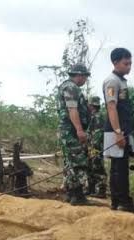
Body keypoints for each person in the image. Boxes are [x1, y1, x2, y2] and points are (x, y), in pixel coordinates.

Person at [102, 47, 134, 215]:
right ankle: (121, 201)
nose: (129, 67)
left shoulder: (122, 81)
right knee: (118, 167)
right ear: (115, 62)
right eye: (126, 63)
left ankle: (119, 201)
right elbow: (111, 107)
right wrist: (118, 132)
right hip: (115, 130)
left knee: (121, 166)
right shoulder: (112, 81)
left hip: (124, 129)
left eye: (130, 63)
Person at [57, 63, 91, 205]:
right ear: (79, 75)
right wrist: (79, 130)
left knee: (70, 163)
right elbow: (72, 110)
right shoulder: (71, 87)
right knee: (78, 162)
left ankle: (72, 194)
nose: (85, 80)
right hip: (71, 132)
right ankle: (77, 195)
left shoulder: (65, 86)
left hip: (67, 132)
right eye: (85, 77)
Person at [86, 96, 107, 198]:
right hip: (91, 147)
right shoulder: (93, 116)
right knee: (90, 167)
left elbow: (98, 134)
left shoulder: (98, 116)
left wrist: (94, 148)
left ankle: (101, 191)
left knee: (98, 168)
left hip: (96, 147)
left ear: (91, 105)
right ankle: (91, 189)